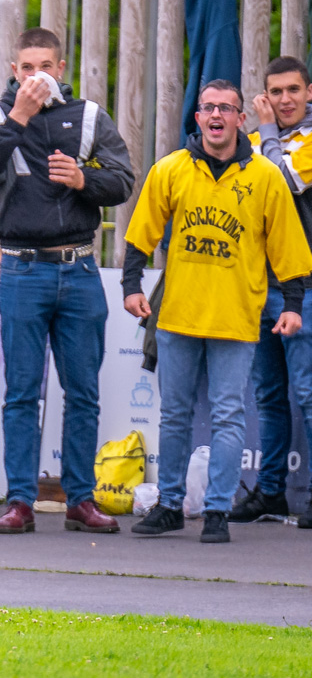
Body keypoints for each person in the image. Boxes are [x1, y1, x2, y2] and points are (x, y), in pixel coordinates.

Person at [123, 80, 312, 544]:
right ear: (198, 117)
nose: (216, 115)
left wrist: (291, 304)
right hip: (178, 315)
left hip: (236, 317)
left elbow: (289, 246)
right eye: (208, 107)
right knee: (175, 416)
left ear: (239, 119)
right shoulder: (170, 169)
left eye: (226, 108)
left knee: (229, 416)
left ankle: (216, 512)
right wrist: (131, 284)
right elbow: (141, 230)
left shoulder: (266, 176)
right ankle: (169, 505)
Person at [0, 26, 135, 534]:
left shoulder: (87, 116)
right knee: (21, 392)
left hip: (80, 269)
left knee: (83, 391)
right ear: (13, 70)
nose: (34, 75)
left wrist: (85, 179)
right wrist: (18, 115)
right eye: (24, 67)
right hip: (20, 268)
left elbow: (124, 180)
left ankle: (81, 501)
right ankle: (20, 500)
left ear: (60, 69)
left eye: (44, 66)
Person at [240, 56, 312, 523]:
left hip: (302, 287)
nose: (285, 100)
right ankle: (270, 492)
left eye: (293, 90)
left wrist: (265, 131)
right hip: (255, 285)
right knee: (268, 394)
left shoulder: (304, 140)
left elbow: (283, 185)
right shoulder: (252, 141)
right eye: (276, 91)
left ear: (309, 92)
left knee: (307, 393)